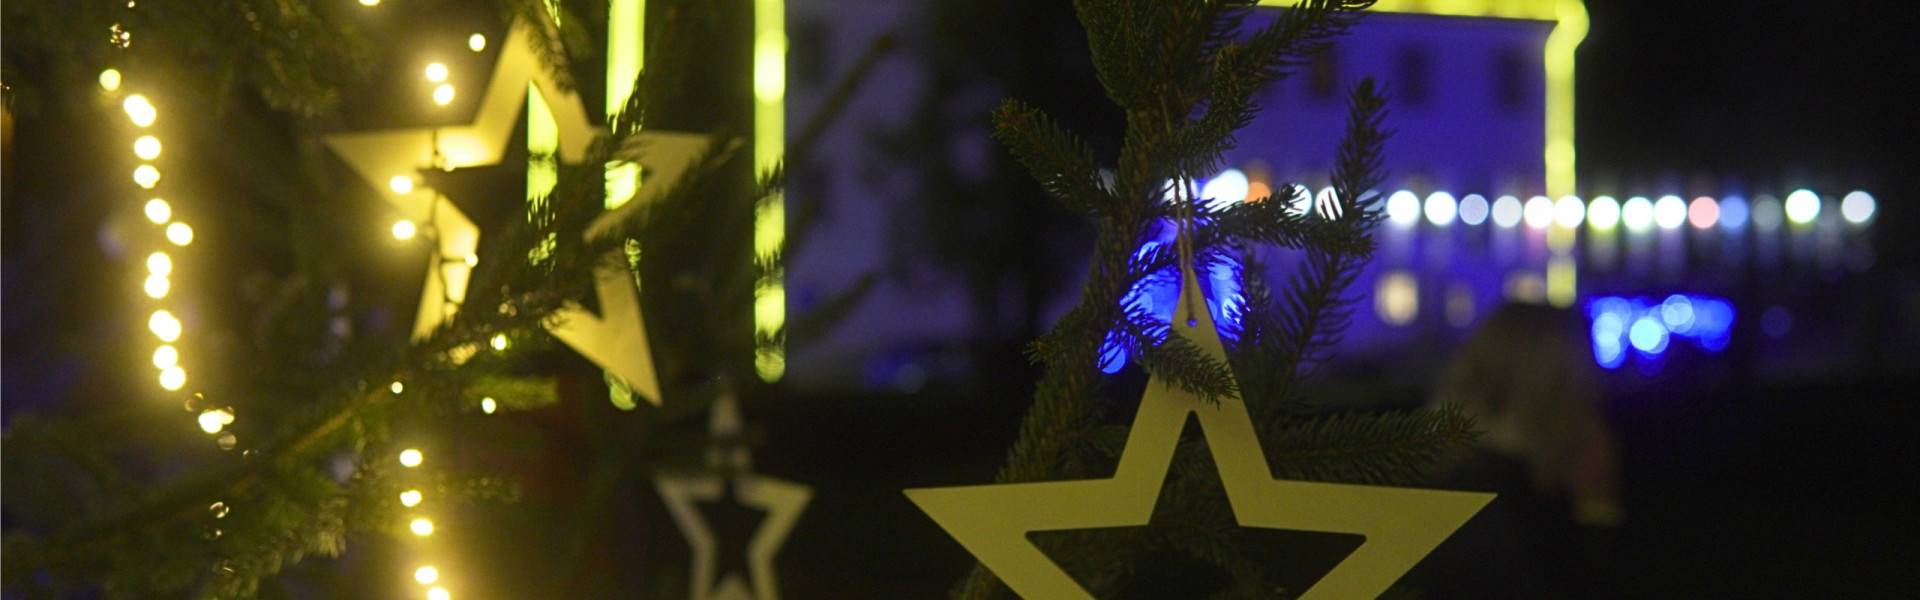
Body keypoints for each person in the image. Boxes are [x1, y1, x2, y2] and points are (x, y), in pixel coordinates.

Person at [1411, 302, 1623, 600]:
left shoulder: (1447, 481)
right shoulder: (1508, 509)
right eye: (1584, 385)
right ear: (1554, 388)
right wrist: (1597, 513)